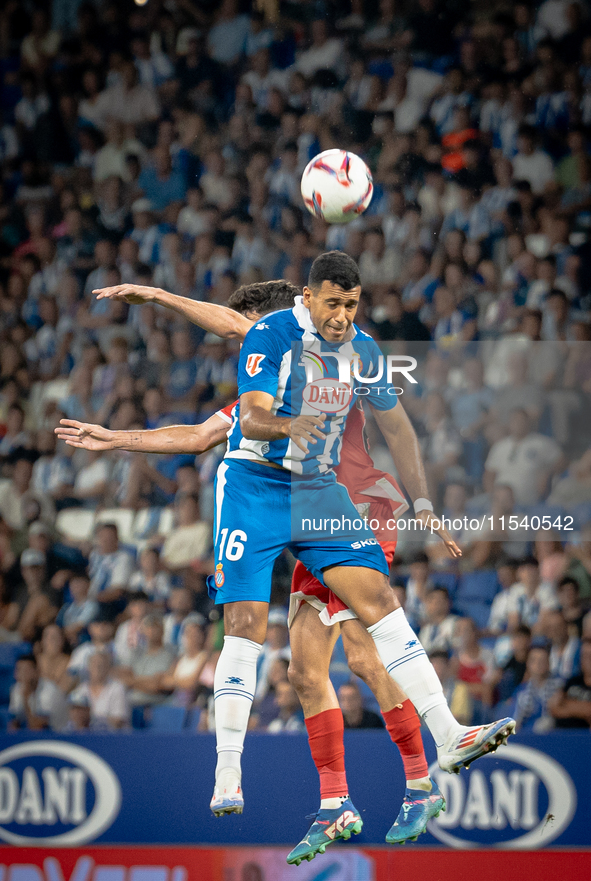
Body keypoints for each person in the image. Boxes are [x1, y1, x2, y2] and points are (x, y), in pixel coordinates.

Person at [57, 269, 514, 860]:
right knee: (303, 670)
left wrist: (161, 297)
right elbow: (201, 432)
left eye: (247, 335)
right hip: (296, 502)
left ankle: (424, 778)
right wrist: (119, 437)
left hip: (354, 504)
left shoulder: (306, 345)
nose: (241, 348)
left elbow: (237, 330)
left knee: (362, 653)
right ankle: (335, 804)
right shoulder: (273, 367)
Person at [71, 649, 130, 729]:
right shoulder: (81, 690)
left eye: (101, 665)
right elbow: (75, 720)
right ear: (88, 667)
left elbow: (118, 720)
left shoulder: (117, 688)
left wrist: (90, 720)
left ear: (108, 668)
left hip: (112, 737)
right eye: (94, 664)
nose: (97, 668)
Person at [9, 654, 68, 731]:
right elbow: (15, 721)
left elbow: (38, 726)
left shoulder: (50, 691)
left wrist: (25, 698)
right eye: (20, 670)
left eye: (26, 670)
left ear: (37, 671)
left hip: (58, 735)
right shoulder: (16, 689)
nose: (23, 674)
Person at [549, 638, 591, 728]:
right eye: (585, 656)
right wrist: (582, 709)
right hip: (563, 734)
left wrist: (566, 704)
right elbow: (554, 707)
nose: (588, 661)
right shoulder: (572, 681)